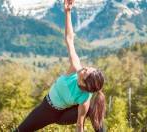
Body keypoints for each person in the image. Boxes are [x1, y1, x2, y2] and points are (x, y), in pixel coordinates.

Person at [15, 0, 105, 131]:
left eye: (85, 71)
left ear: (85, 83)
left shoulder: (84, 98)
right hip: (47, 109)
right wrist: (67, 12)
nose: (83, 68)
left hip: (64, 116)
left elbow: (80, 126)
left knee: (92, 110)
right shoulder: (75, 67)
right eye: (87, 68)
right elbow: (69, 39)